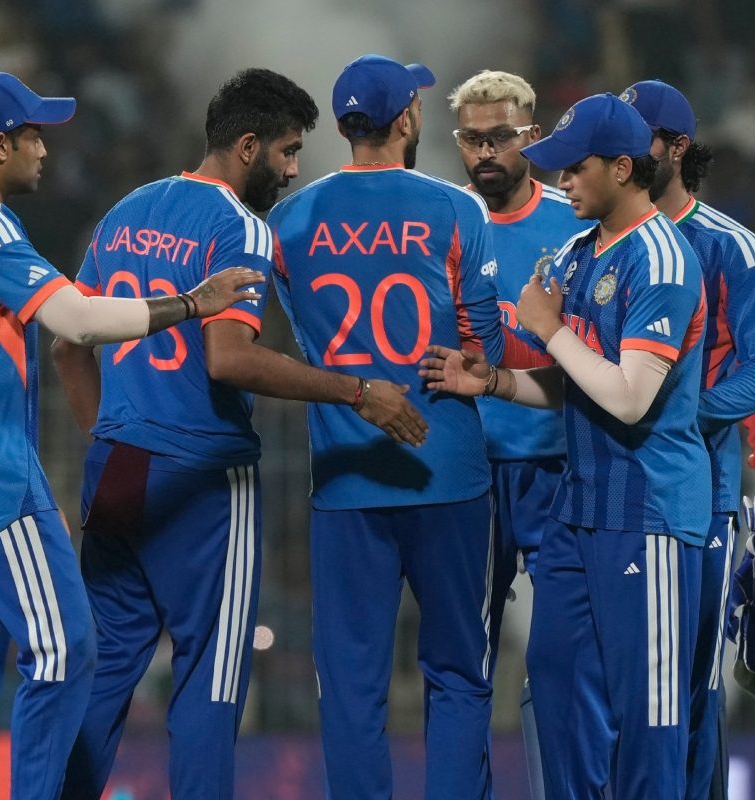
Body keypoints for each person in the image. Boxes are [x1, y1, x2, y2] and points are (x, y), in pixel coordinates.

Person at [51, 68, 427, 799]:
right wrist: (356, 391)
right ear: (249, 146)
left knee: (106, 667)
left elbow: (69, 347)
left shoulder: (126, 211)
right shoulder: (239, 227)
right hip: (203, 475)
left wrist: (109, 438)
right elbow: (228, 360)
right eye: (288, 152)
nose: (293, 170)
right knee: (210, 678)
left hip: (119, 465)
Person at [0, 71, 261, 800]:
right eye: (33, 136)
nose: (44, 150)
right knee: (64, 648)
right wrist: (193, 302)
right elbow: (81, 323)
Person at [422, 92, 710, 799]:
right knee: (553, 680)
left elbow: (630, 396)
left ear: (622, 168)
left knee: (648, 718)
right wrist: (493, 381)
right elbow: (575, 383)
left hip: (649, 513)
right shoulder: (583, 252)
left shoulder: (663, 260)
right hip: (579, 510)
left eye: (575, 168)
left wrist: (548, 328)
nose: (562, 181)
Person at [267, 54, 511, 800]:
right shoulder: (457, 209)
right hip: (450, 474)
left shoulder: (288, 221)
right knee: (459, 674)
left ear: (345, 127)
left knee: (350, 686)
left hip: (347, 480)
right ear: (408, 118)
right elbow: (484, 347)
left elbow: (303, 337)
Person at [622, 80, 755, 799]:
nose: (624, 152)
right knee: (609, 692)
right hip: (603, 498)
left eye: (639, 138)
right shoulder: (596, 242)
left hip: (700, 502)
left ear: (677, 148)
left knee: (689, 692)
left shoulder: (729, 246)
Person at [447, 68, 593, 800]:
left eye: (500, 136)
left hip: (559, 464)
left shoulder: (576, 222)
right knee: (464, 660)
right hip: (472, 470)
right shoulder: (445, 220)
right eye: (471, 138)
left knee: (562, 659)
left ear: (531, 137)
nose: (484, 151)